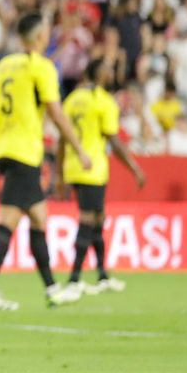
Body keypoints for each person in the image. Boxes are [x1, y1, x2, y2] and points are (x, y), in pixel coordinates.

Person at [0, 12, 92, 311]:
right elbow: (56, 113)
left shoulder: (1, 68)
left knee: (39, 217)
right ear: (40, 37)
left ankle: (51, 289)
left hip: (4, 151)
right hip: (24, 152)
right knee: (8, 220)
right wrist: (79, 148)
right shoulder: (42, 68)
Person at [60, 60, 145, 294]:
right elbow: (114, 141)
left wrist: (59, 172)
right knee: (89, 219)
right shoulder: (103, 101)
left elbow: (62, 136)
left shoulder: (72, 99)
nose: (111, 73)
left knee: (98, 218)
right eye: (107, 70)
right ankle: (75, 278)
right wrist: (135, 168)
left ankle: (102, 275)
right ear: (100, 74)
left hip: (73, 165)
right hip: (93, 166)